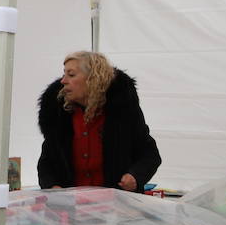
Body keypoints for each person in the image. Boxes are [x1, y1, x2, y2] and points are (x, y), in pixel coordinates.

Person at [37, 51, 161, 190]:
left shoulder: (123, 112)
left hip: (116, 207)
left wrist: (135, 177)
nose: (63, 81)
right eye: (64, 74)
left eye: (71, 75)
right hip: (70, 207)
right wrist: (53, 186)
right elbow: (46, 163)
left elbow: (150, 154)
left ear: (93, 79)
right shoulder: (59, 116)